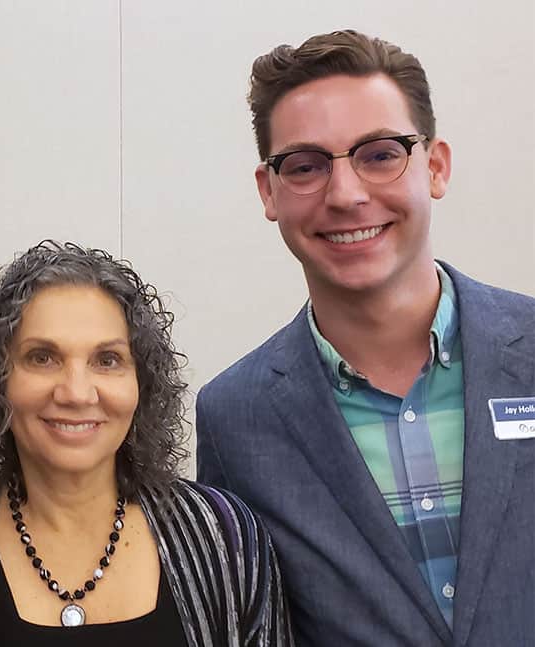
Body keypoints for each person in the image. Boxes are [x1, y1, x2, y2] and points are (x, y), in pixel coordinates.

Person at [196, 30, 535, 647]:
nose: (346, 194)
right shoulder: (234, 418)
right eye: (305, 166)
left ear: (435, 167)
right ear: (268, 192)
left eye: (379, 154)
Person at [0, 240, 293, 646]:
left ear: (142, 383)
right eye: (42, 357)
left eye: (107, 360)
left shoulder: (226, 540)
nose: (76, 393)